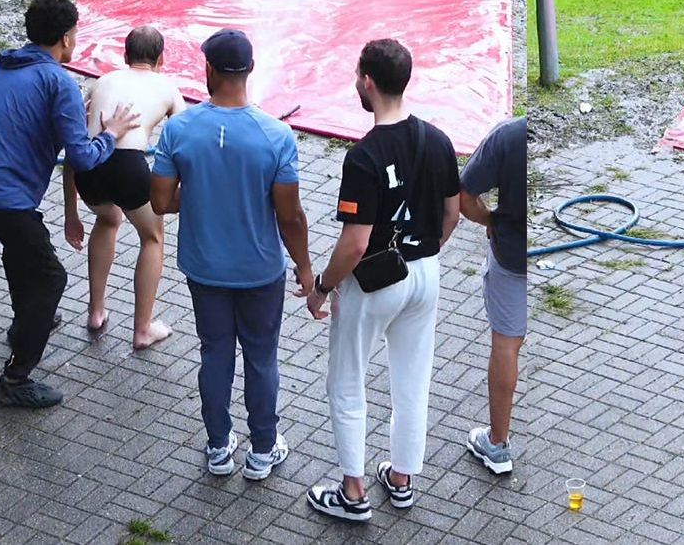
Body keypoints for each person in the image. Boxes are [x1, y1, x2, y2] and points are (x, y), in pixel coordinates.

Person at [0, 0, 140, 409]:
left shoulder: (5, 65)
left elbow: (29, 115)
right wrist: (113, 132)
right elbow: (83, 157)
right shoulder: (59, 83)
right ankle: (15, 379)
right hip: (1, 195)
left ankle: (24, 325)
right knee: (51, 278)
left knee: (21, 250)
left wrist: (70, 114)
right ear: (67, 38)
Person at [304, 39, 460, 522]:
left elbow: (354, 243)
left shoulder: (363, 157)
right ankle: (402, 477)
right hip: (426, 274)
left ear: (368, 83)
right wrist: (423, 254)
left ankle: (353, 492)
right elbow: (452, 213)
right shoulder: (438, 140)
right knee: (413, 378)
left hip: (373, 282)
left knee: (348, 378)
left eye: (357, 77)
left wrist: (323, 287)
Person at [150, 28, 314, 480]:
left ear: (208, 70)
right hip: (261, 271)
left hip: (205, 269)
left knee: (215, 354)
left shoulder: (179, 129)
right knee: (262, 358)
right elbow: (291, 215)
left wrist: (200, 192)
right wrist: (304, 266)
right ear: (250, 71)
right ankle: (263, 450)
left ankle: (219, 448)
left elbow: (161, 200)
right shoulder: (277, 136)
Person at [63, 26, 186, 349]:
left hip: (88, 168)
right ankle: (143, 329)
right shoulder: (168, 87)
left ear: (125, 55)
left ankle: (96, 312)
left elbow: (73, 150)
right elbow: (187, 137)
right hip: (128, 165)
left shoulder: (102, 82)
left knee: (108, 219)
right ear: (161, 58)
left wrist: (70, 213)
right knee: (152, 236)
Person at [460, 117, 528, 475]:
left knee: (506, 343)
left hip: (513, 258)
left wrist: (491, 221)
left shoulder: (509, 137)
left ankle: (498, 445)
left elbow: (464, 195)